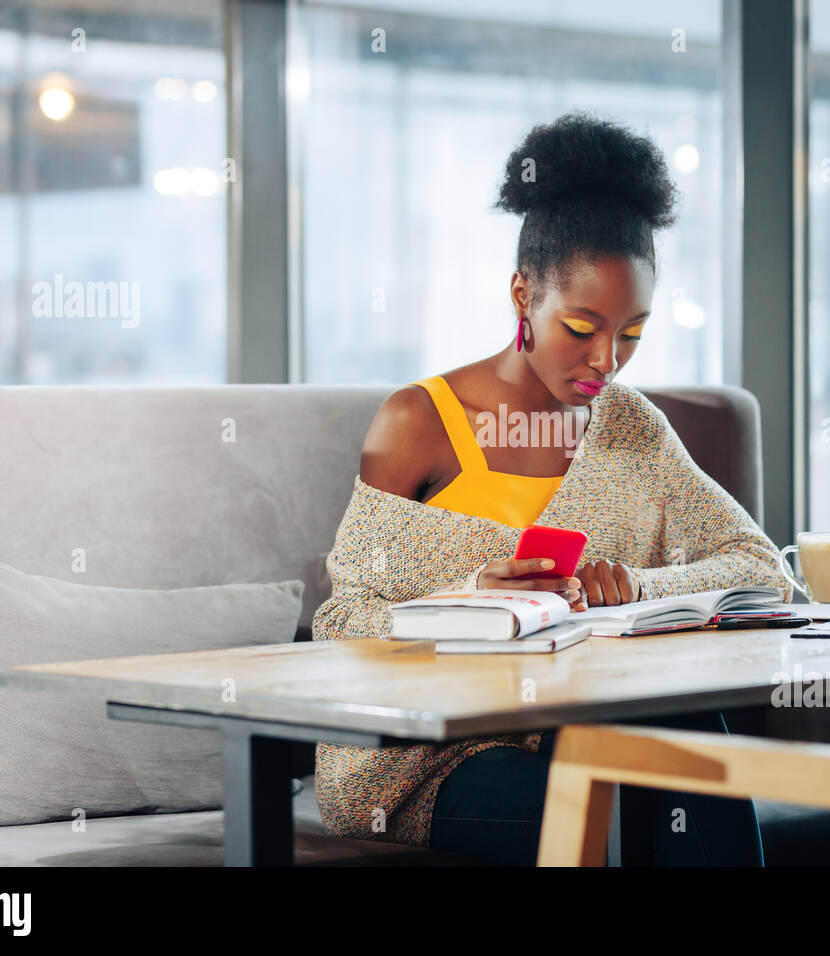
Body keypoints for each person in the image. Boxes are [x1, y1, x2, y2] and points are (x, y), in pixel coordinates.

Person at [312, 110, 791, 865]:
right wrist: (468, 602)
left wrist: (635, 585)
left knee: (694, 765)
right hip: (430, 762)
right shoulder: (418, 422)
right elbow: (341, 624)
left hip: (586, 720)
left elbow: (762, 570)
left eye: (632, 333)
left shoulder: (631, 426)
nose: (607, 360)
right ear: (521, 295)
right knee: (648, 798)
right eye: (580, 325)